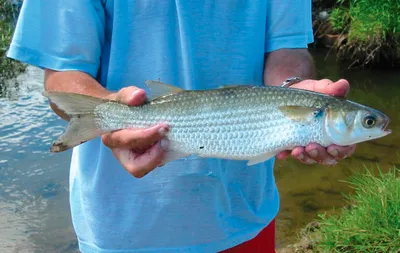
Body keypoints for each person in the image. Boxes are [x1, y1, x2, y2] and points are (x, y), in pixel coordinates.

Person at [7, 1, 356, 252]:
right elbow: (62, 73)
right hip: (122, 227)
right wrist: (111, 113)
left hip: (245, 215)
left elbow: (286, 49)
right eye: (368, 123)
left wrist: (294, 88)